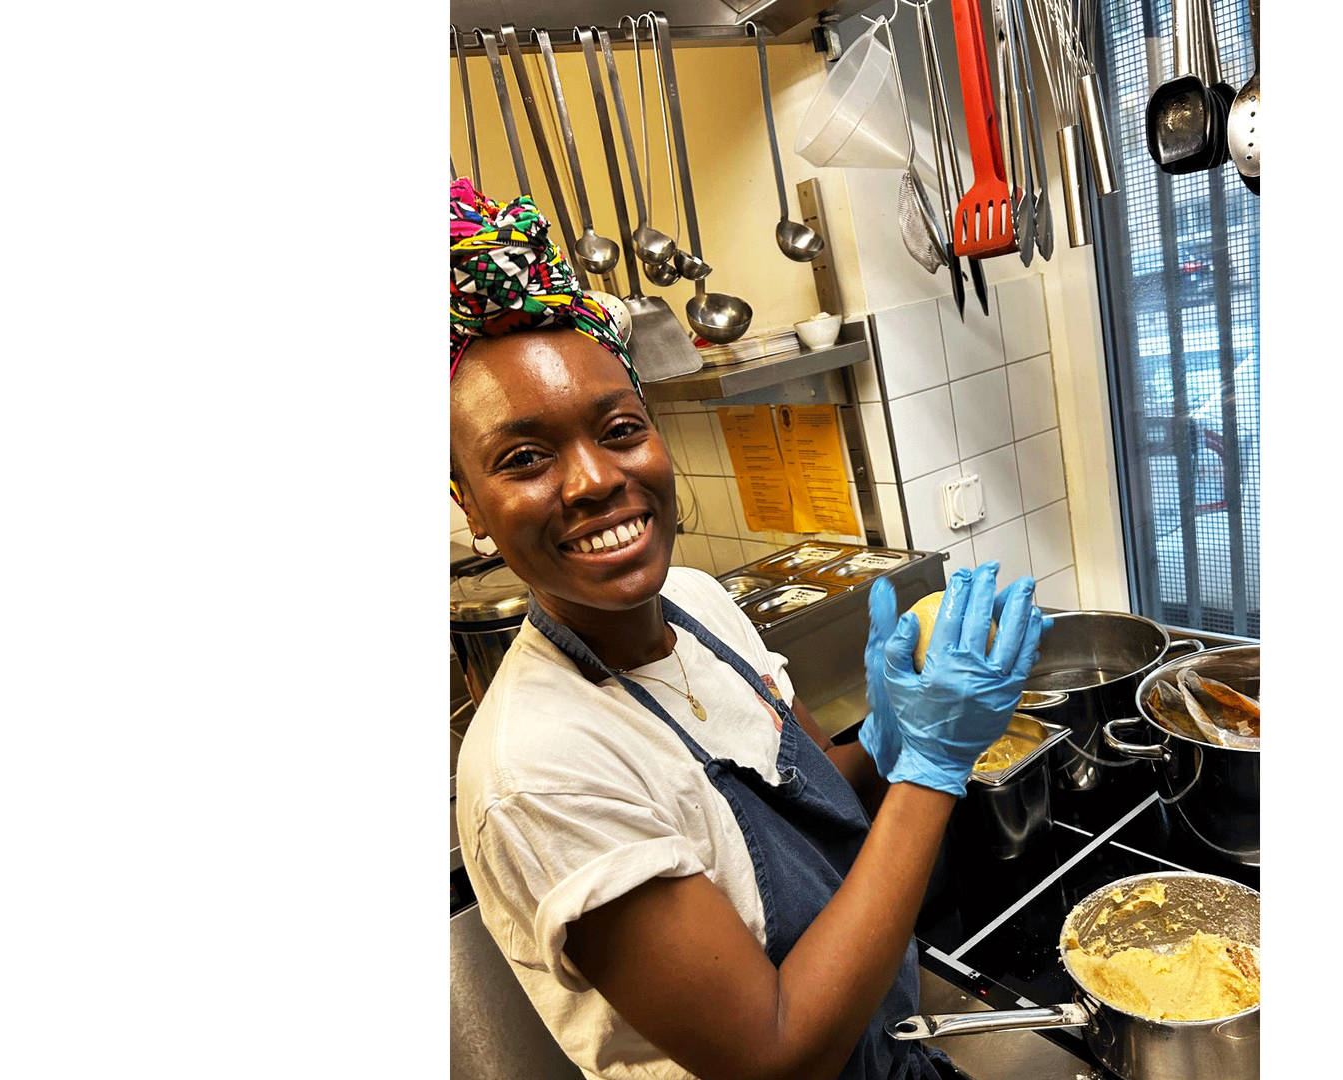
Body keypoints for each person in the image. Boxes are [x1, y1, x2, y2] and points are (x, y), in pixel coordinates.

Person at [446, 181, 1052, 1080]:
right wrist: (933, 768)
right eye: (525, 458)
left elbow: (816, 798)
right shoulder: (539, 770)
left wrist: (885, 744)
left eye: (620, 429)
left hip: (887, 1046)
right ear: (470, 507)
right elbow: (774, 1054)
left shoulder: (697, 600)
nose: (594, 480)